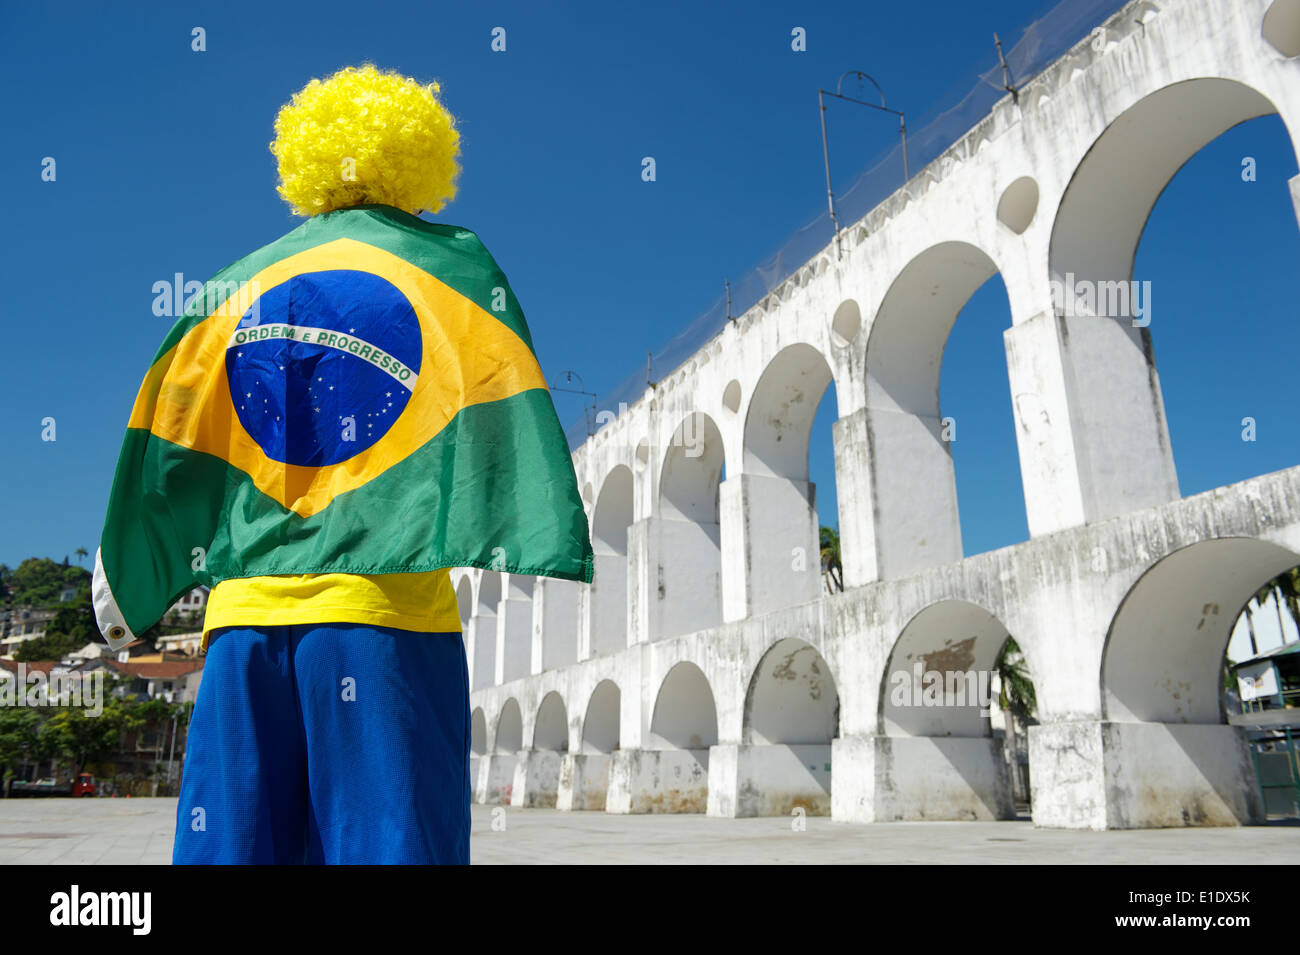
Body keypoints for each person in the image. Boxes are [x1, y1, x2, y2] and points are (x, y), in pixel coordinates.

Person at [91, 63, 593, 864]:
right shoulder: (448, 267)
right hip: (381, 613)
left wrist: (126, 572)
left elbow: (170, 431)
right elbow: (506, 401)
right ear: (419, 160)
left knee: (233, 847)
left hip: (243, 624)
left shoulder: (234, 284)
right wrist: (531, 524)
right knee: (390, 845)